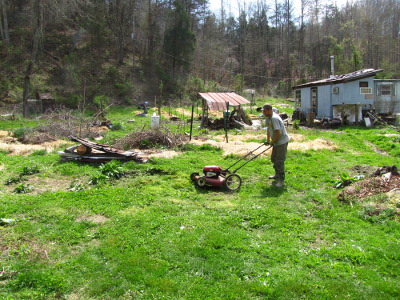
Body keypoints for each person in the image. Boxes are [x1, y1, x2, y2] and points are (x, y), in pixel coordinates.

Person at [262, 104, 290, 187]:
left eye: (265, 111)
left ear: (270, 110)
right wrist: (268, 140)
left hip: (282, 142)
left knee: (279, 161)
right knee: (273, 159)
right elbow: (268, 129)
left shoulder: (274, 118)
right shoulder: (268, 118)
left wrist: (273, 141)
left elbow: (279, 133)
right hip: (276, 141)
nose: (263, 113)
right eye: (263, 111)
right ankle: (277, 174)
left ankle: (281, 181)